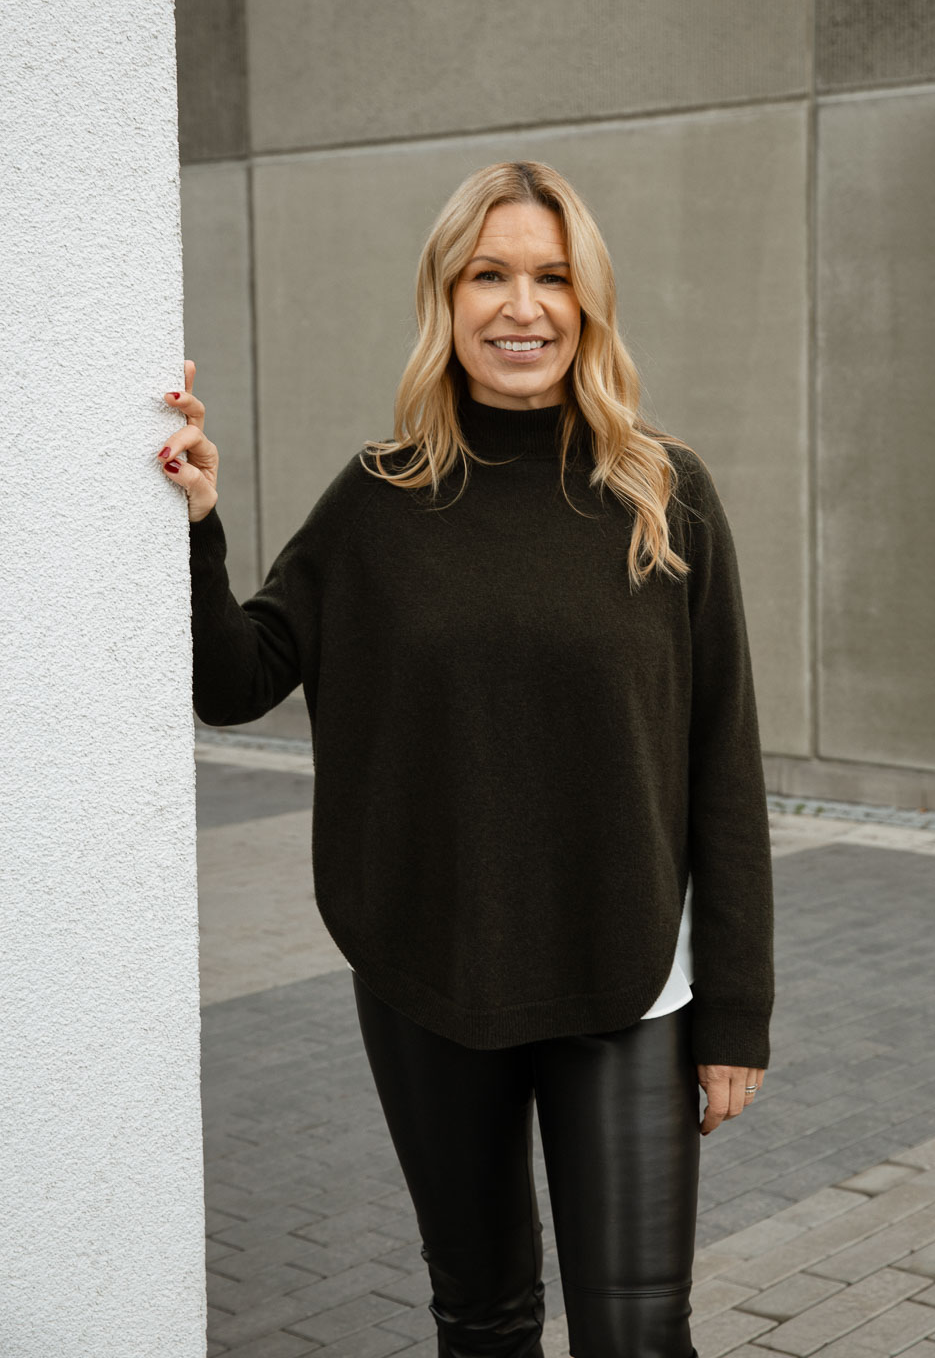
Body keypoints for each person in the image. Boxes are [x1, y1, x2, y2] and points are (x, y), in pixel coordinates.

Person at [161, 160, 774, 1358]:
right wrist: (194, 526)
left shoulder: (663, 493)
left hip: (625, 977)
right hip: (432, 973)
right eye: (489, 275)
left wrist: (736, 1013)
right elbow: (234, 682)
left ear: (590, 301)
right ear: (445, 298)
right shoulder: (381, 498)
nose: (522, 307)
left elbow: (725, 760)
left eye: (553, 277)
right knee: (483, 1322)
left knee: (637, 1337)